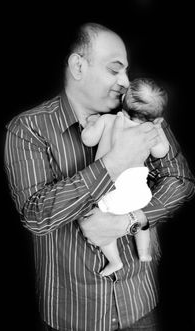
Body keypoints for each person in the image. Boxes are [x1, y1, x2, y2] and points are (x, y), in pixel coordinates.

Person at [4, 22, 195, 331]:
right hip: (73, 313)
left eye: (126, 71)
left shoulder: (139, 113)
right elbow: (37, 215)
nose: (125, 82)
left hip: (139, 302)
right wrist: (114, 163)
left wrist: (132, 220)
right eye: (114, 70)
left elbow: (180, 181)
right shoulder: (29, 130)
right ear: (78, 66)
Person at [80, 77, 169, 276]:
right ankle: (144, 253)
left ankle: (115, 261)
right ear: (157, 119)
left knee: (100, 225)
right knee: (140, 219)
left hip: (110, 193)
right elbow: (161, 152)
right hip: (138, 193)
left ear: (122, 100)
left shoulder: (108, 120)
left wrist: (92, 123)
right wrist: (157, 128)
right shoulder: (149, 132)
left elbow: (87, 139)